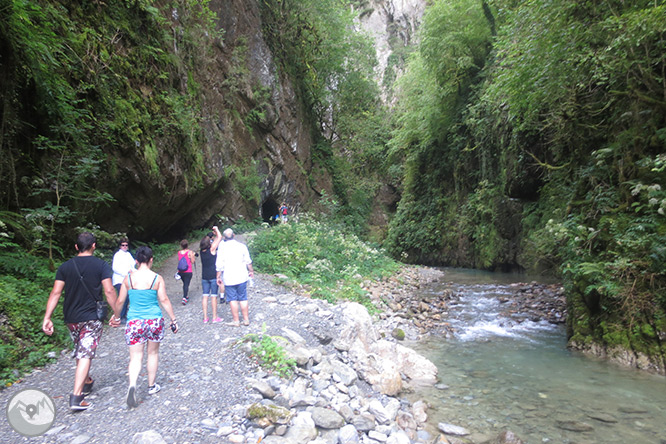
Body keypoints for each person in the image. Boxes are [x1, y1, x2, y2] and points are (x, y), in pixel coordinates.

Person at [42, 232, 121, 411]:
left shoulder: (65, 267)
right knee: (85, 353)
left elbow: (55, 293)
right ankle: (77, 397)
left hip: (71, 317)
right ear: (94, 245)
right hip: (92, 317)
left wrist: (47, 317)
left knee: (81, 349)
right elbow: (109, 291)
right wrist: (116, 313)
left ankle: (86, 381)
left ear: (76, 247)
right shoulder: (101, 265)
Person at [115, 245, 179, 408]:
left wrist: (116, 316)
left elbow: (121, 301)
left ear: (136, 261)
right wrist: (173, 319)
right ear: (151, 260)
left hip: (135, 321)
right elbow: (164, 300)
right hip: (154, 320)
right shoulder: (157, 278)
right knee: (152, 353)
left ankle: (132, 386)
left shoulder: (128, 279)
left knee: (135, 357)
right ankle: (151, 386)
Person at [216, 228, 254, 327]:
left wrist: (218, 277)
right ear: (234, 235)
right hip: (242, 276)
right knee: (243, 297)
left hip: (229, 277)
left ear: (224, 237)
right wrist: (251, 271)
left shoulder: (222, 248)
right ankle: (246, 320)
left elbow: (219, 264)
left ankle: (236, 321)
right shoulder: (242, 246)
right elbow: (248, 261)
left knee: (232, 299)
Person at [199, 226, 223, 323]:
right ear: (209, 244)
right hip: (213, 276)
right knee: (213, 296)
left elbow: (217, 239)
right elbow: (220, 237)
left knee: (205, 296)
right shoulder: (212, 250)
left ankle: (205, 318)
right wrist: (216, 230)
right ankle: (214, 317)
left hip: (204, 276)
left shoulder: (201, 252)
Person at [112, 238, 136, 323]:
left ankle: (124, 314)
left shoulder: (128, 255)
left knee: (128, 298)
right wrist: (126, 273)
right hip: (119, 280)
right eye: (123, 245)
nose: (125, 247)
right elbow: (115, 268)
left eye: (126, 245)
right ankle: (120, 316)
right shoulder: (117, 255)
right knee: (123, 298)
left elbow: (133, 265)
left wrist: (134, 272)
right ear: (120, 246)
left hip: (128, 280)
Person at [177, 239, 196, 305]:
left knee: (185, 283)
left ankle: (186, 295)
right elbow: (192, 262)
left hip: (181, 271)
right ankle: (184, 298)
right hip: (188, 271)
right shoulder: (190, 252)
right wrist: (193, 256)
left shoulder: (179, 252)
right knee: (186, 284)